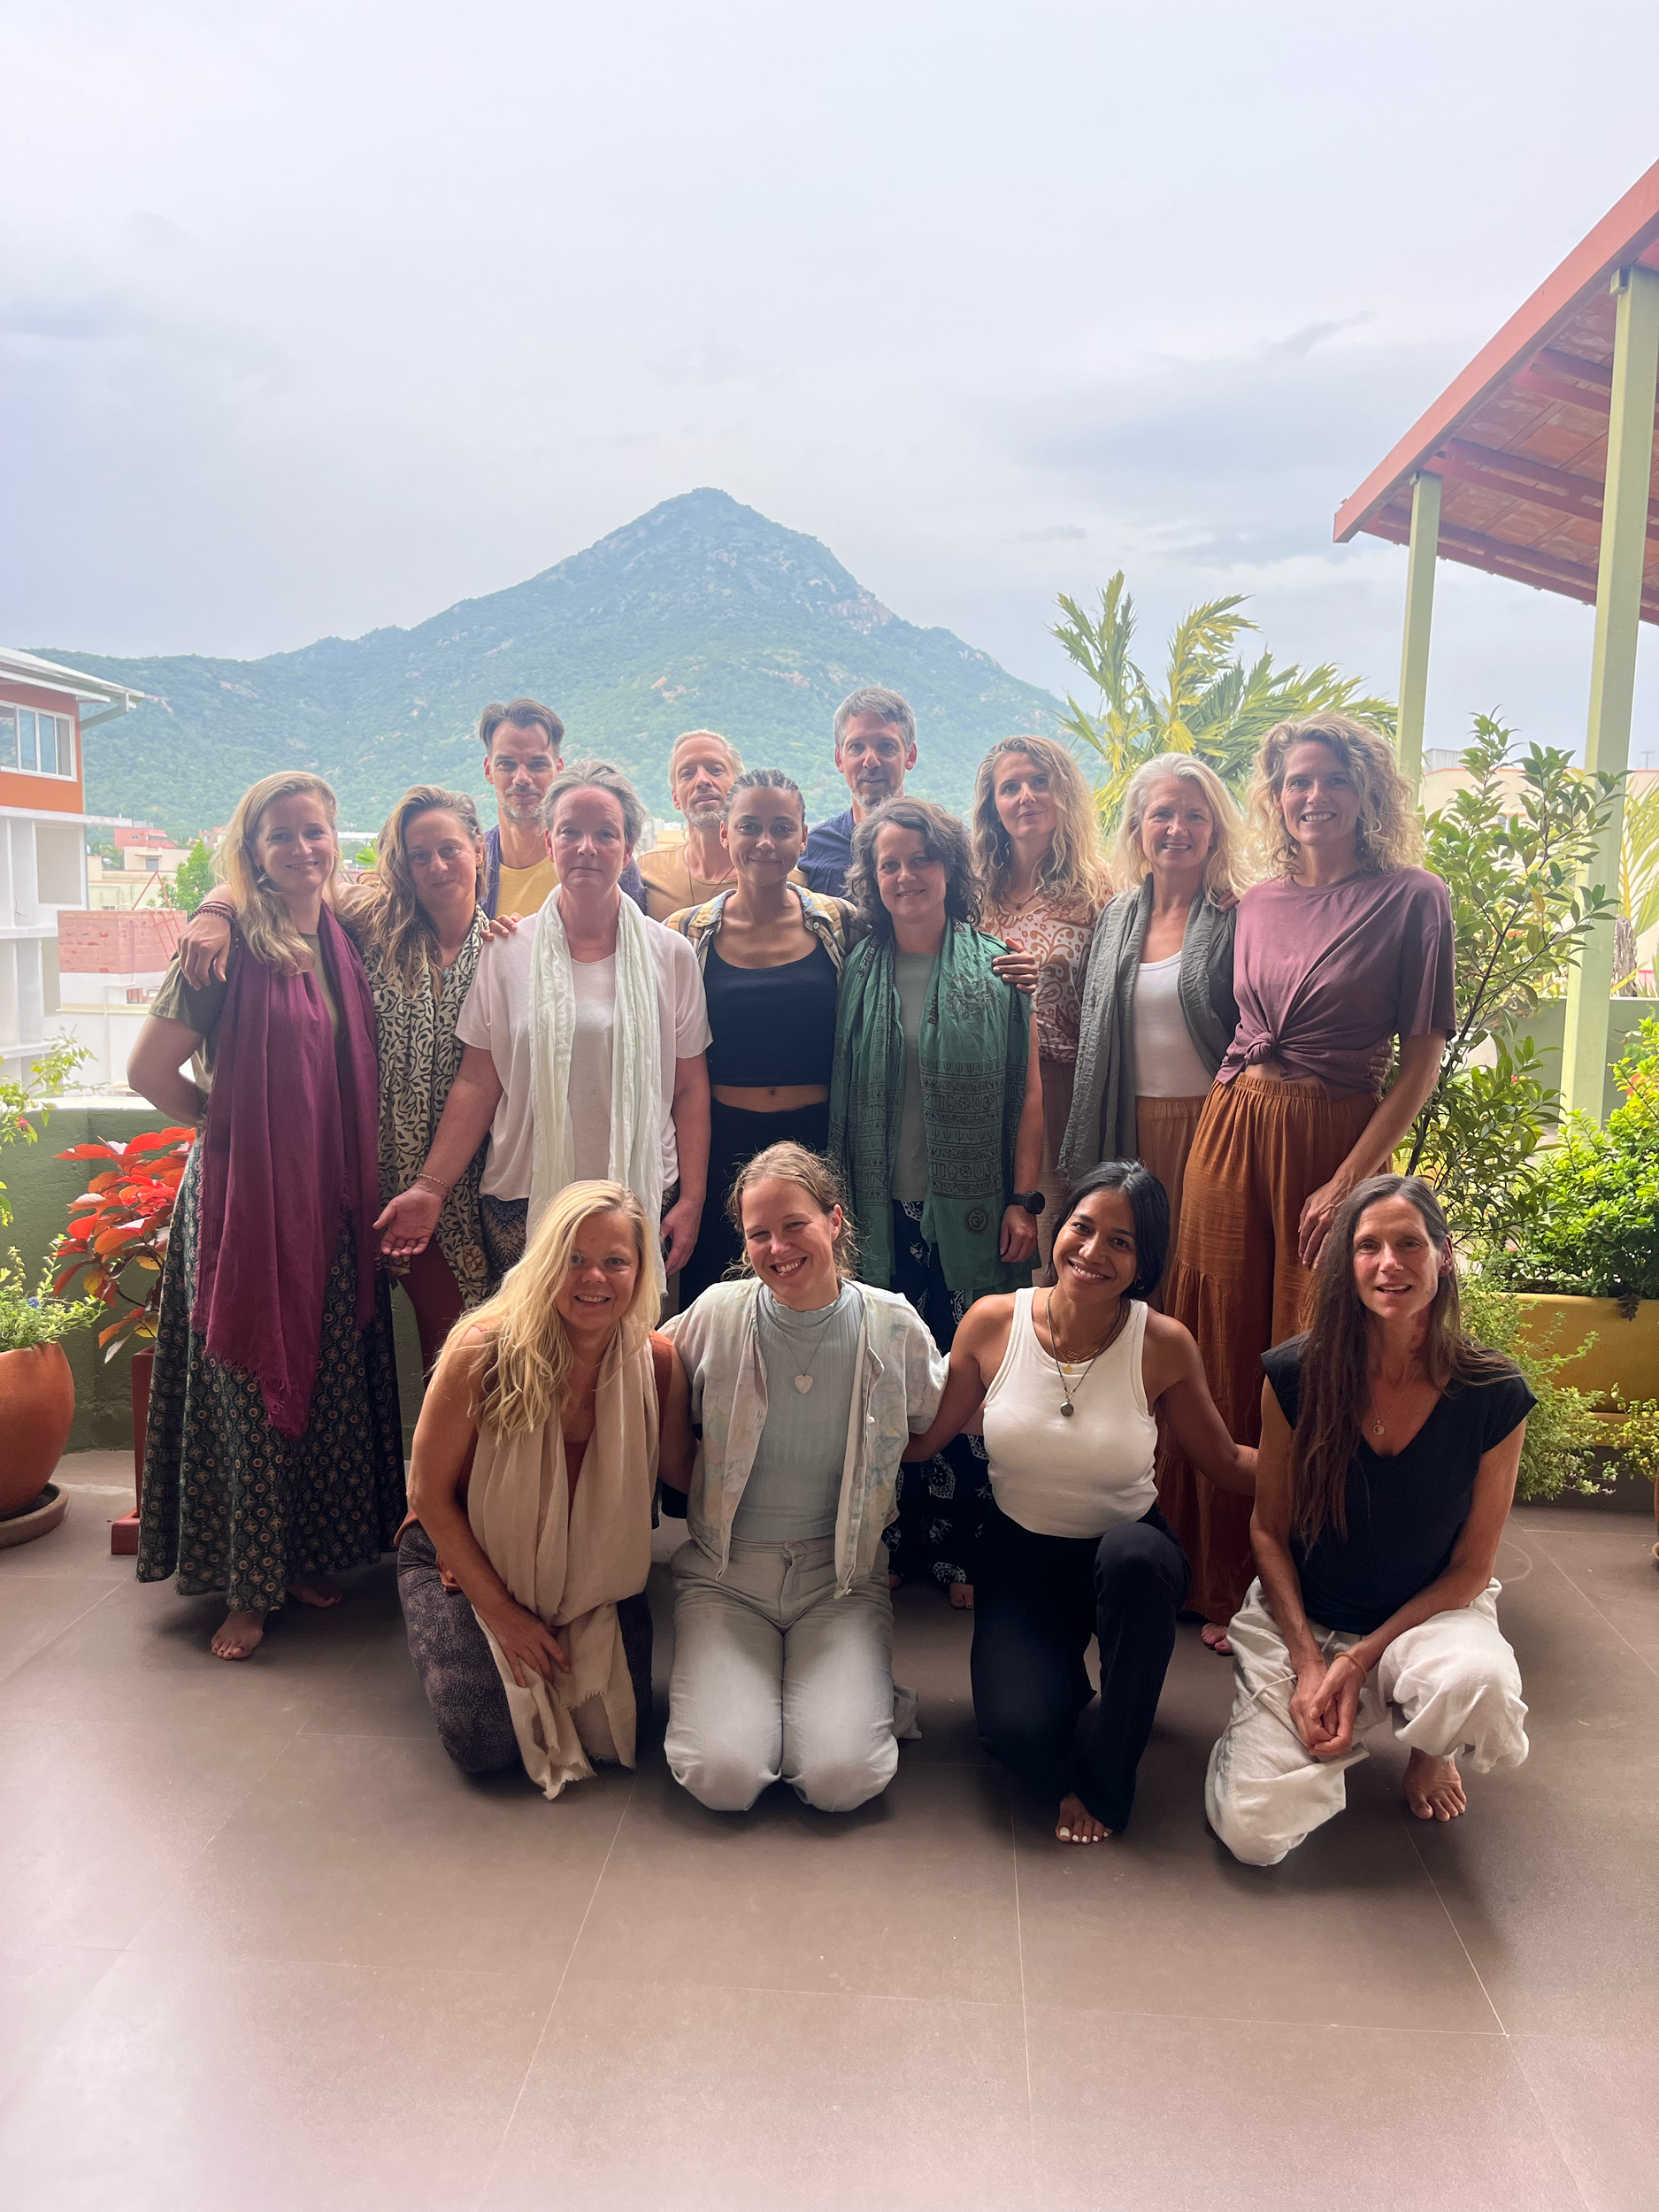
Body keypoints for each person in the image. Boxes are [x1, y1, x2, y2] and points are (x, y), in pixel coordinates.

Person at [1158, 716, 1454, 1655]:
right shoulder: (1254, 902)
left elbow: (1424, 1057)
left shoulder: (1414, 899)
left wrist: (1351, 1181)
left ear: (1366, 791)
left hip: (1333, 1137)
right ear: (1275, 797)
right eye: (1295, 782)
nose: (1313, 796)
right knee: (1214, 1332)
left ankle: (1283, 1578)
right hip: (1231, 1129)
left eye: (1331, 779)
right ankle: (1199, 1567)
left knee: (1308, 1350)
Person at [127, 772, 403, 1662]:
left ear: (336, 839)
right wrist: (221, 1122)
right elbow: (147, 1071)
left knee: (319, 1381)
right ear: (253, 853)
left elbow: (440, 890)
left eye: (315, 832)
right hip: (248, 1200)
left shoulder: (342, 930)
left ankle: (300, 1559)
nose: (302, 849)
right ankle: (246, 1587)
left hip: (329, 1196)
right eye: (280, 837)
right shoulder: (223, 946)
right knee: (249, 1383)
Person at [907, 1163, 1255, 1843]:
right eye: (1082, 1228)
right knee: (1016, 1739)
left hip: (1127, 1559)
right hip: (1019, 1559)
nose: (1092, 1253)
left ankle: (1108, 1777)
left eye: (1120, 1242)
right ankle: (1059, 1685)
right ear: (1056, 1230)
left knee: (1133, 1558)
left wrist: (1332, 1471)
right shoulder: (990, 1322)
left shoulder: (1162, 1344)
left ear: (1143, 1261)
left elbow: (1226, 1463)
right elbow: (926, 1441)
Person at [1207, 1176, 1532, 1865]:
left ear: (1442, 1256)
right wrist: (1306, 1662)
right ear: (1345, 1265)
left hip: (1428, 1616)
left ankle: (1430, 1746)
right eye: (1367, 1246)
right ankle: (1277, 1730)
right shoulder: (1295, 1375)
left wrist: (1360, 1657)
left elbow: (1472, 1569)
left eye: (1408, 1243)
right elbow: (1267, 1530)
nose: (1389, 1263)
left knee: (1475, 1680)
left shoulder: (1493, 1393)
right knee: (1252, 1835)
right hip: (1306, 1616)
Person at [662, 1143, 946, 1811]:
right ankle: (784, 1705)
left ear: (835, 1221)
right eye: (758, 1233)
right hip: (725, 1578)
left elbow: (944, 1408)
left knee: (841, 1781)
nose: (776, 1247)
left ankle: (842, 1701)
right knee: (723, 1779)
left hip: (840, 1580)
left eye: (794, 1224)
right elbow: (639, 1375)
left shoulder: (890, 1321)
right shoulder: (716, 1314)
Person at [183, 785, 496, 1370]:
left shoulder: (506, 949)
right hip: (348, 1180)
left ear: (478, 849)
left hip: (447, 1192)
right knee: (329, 1352)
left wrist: (433, 1187)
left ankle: (447, 1466)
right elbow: (280, 885)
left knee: (459, 1346)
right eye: (418, 854)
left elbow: (484, 1080)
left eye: (449, 848)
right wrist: (215, 908)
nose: (435, 864)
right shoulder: (369, 921)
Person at [398, 1182, 695, 1795]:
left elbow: (688, 1478)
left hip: (591, 1574)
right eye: (574, 1259)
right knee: (486, 1742)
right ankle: (452, 1625)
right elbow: (426, 1494)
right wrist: (503, 1615)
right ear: (543, 1262)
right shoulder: (482, 1350)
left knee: (620, 1736)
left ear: (639, 1271)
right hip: (463, 1556)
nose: (595, 1277)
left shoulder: (659, 1361)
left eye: (615, 1260)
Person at [374, 762, 710, 1287]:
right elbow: (478, 1081)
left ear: (628, 851)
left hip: (641, 1197)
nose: (587, 847)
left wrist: (692, 1198)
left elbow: (690, 1088)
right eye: (571, 832)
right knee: (532, 1360)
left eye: (606, 834)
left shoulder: (671, 954)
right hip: (523, 1201)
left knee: (631, 1356)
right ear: (550, 843)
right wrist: (430, 1188)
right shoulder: (506, 950)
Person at [830, 796, 1044, 1600]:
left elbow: (1027, 1097)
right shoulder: (854, 967)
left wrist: (1025, 1200)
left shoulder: (997, 965)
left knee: (969, 1381)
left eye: (921, 859)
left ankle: (964, 1555)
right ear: (872, 878)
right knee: (883, 1377)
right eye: (888, 863)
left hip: (973, 1214)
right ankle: (890, 1544)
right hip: (877, 1213)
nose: (905, 875)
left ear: (950, 870)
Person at [664, 769, 856, 1303]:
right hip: (719, 1143)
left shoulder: (841, 923)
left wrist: (1003, 963)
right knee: (715, 1306)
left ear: (803, 838)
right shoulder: (683, 933)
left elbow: (923, 944)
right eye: (750, 826)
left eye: (781, 827)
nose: (765, 842)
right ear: (725, 834)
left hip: (820, 1142)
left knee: (819, 1297)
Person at [1059, 753, 1244, 1277]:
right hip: (1125, 1121)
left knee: (1203, 1271)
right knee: (1131, 1272)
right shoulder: (1116, 916)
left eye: (1195, 816)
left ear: (1214, 831)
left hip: (1213, 1126)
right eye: (1163, 814)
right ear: (1138, 827)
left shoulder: (1238, 914)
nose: (1177, 829)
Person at [972, 734, 1111, 1244]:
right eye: (1010, 787)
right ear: (994, 807)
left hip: (1063, 1093)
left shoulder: (1101, 892)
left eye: (1039, 782)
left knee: (1056, 1239)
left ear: (1064, 795)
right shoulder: (971, 891)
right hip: (982, 1088)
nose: (1026, 796)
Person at [477, 696, 647, 918]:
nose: (522, 778)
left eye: (537, 764)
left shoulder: (606, 862)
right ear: (489, 770)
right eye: (506, 764)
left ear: (558, 769)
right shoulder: (472, 868)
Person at [799, 686, 917, 897]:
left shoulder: (941, 845)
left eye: (886, 746)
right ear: (839, 758)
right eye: (856, 747)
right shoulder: (811, 853)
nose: (870, 761)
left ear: (910, 756)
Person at [637, 729, 744, 920]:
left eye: (715, 770)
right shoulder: (647, 873)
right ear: (676, 797)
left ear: (740, 788)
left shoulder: (780, 877)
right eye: (687, 774)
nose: (702, 781)